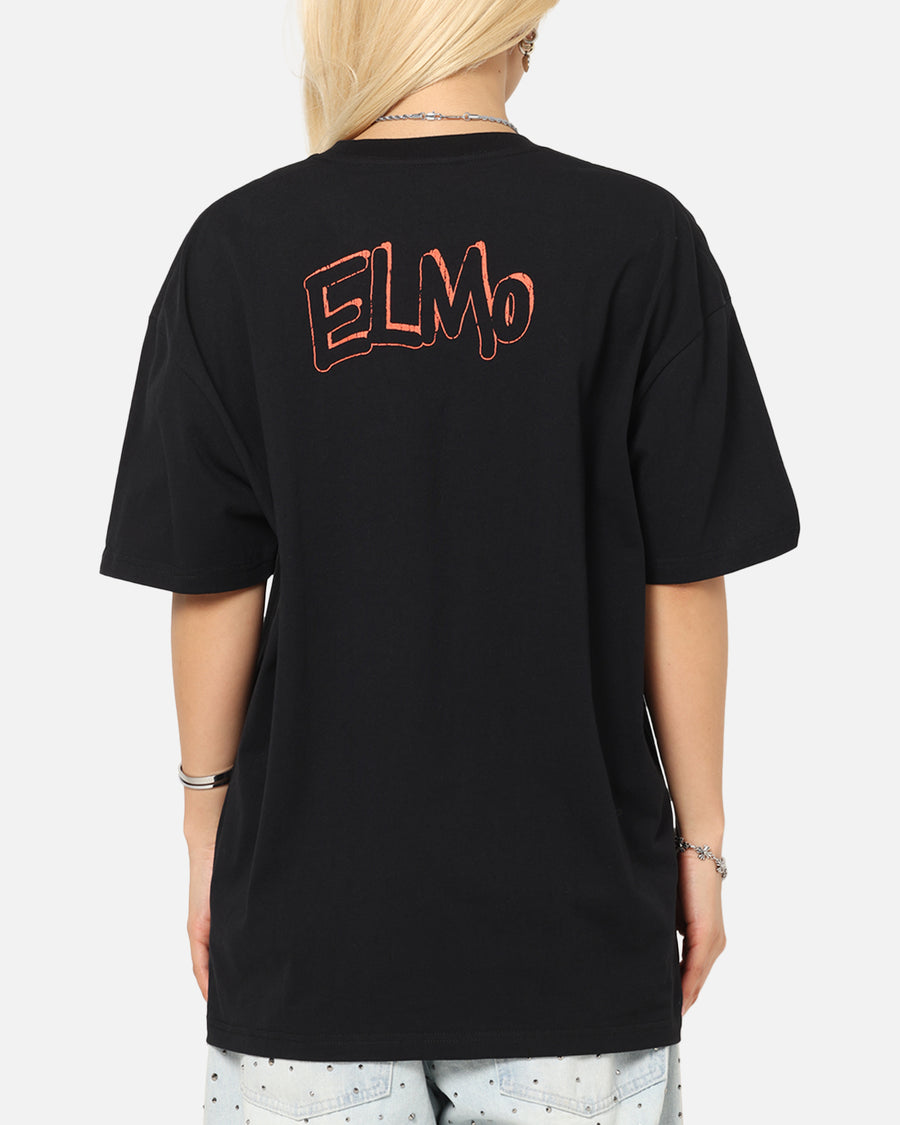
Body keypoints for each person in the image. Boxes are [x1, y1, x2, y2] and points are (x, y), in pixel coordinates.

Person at [98, 2, 801, 1121]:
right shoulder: (638, 238)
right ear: (518, 30)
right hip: (575, 932)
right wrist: (702, 844)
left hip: (310, 936)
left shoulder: (238, 246)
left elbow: (214, 578)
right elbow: (682, 574)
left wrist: (205, 832)